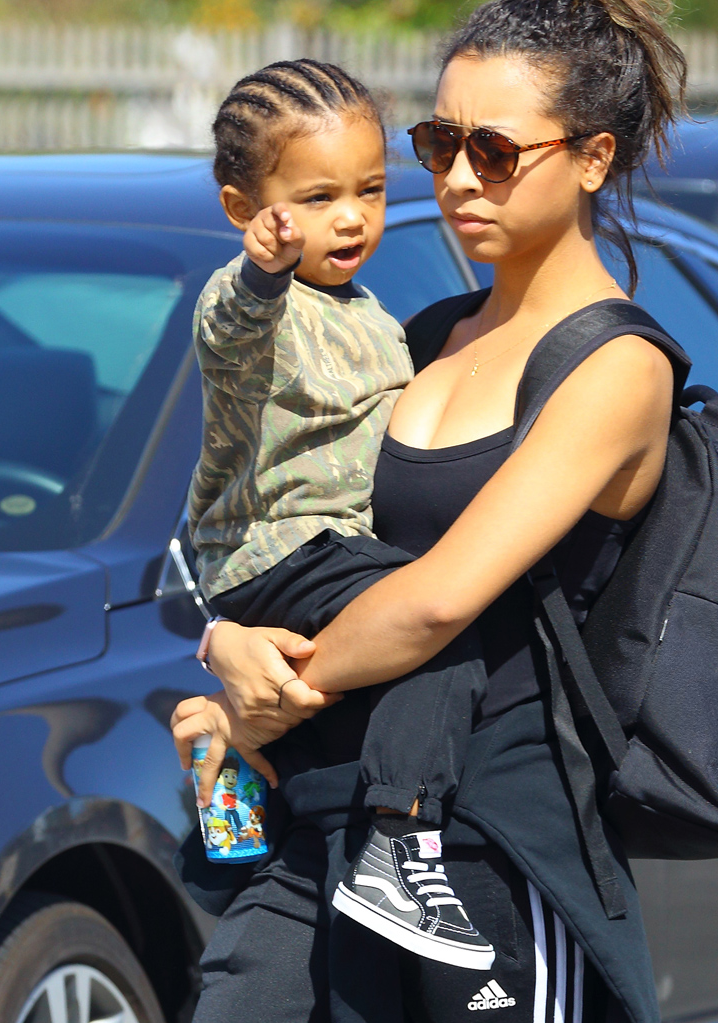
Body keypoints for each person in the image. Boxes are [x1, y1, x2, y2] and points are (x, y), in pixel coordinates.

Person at [172, 2, 687, 1022]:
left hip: (485, 845)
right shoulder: (425, 335)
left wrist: (263, 691)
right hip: (325, 816)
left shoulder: (614, 368)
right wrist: (225, 636)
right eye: (439, 142)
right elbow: (290, 504)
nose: (454, 177)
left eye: (491, 150)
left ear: (590, 158)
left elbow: (431, 603)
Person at [187, 55, 501, 968]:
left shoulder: (367, 311)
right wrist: (261, 273)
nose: (355, 215)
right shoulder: (254, 297)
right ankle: (401, 839)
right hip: (286, 548)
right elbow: (228, 336)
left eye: (369, 188)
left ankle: (233, 823)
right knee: (436, 614)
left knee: (282, 731)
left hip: (316, 561)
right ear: (244, 210)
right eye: (318, 196)